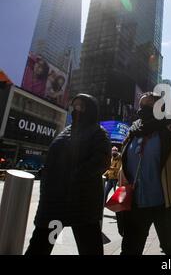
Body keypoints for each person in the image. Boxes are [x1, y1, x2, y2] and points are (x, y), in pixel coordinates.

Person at [25, 94, 111, 255]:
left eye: (81, 106)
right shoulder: (66, 131)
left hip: (81, 202)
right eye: (74, 105)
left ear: (91, 110)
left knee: (89, 247)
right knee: (40, 245)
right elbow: (56, 156)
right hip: (53, 202)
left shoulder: (98, 132)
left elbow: (101, 162)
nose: (76, 109)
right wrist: (47, 171)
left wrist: (73, 177)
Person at [118, 92, 171, 255]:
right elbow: (125, 165)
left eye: (149, 104)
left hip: (166, 203)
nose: (143, 108)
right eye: (141, 105)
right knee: (130, 249)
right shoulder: (133, 130)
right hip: (136, 203)